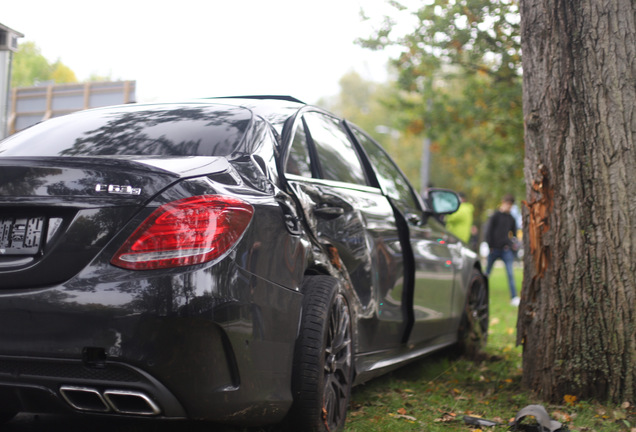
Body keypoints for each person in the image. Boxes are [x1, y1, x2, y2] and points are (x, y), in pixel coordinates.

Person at [484, 194, 520, 306]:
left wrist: (512, 244)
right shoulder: (495, 215)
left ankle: (514, 297)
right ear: (503, 203)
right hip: (494, 249)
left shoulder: (511, 219)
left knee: (510, 274)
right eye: (507, 204)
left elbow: (513, 235)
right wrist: (490, 246)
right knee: (486, 274)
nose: (508, 207)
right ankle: (483, 296)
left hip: (506, 250)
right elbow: (489, 231)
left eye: (510, 205)